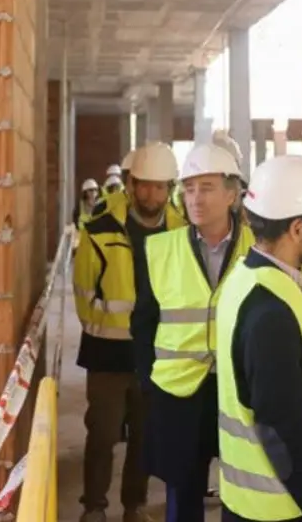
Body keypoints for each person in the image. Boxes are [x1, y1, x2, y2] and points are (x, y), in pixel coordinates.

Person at [215, 155, 302, 522]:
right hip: (284, 507)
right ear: (297, 229)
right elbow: (281, 430)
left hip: (255, 501)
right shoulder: (270, 312)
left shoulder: (244, 278)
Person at [133, 143, 253, 522]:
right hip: (179, 392)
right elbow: (143, 322)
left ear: (232, 194)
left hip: (238, 390)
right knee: (182, 493)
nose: (195, 198)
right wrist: (149, 381)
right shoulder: (160, 249)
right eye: (188, 189)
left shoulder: (258, 249)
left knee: (242, 490)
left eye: (207, 187)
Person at [72, 142, 187, 522]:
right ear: (131, 183)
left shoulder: (181, 233)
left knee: (143, 436)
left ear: (168, 188)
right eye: (144, 185)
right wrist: (105, 326)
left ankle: (133, 506)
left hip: (155, 354)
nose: (151, 194)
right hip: (107, 352)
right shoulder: (101, 227)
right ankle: (94, 506)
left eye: (159, 186)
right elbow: (84, 289)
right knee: (102, 435)